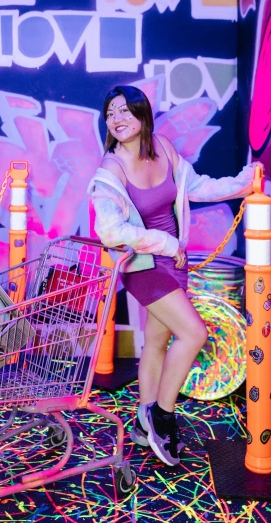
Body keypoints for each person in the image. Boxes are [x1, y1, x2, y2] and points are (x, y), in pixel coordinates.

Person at [87, 85, 258, 467]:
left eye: (125, 111)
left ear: (142, 114)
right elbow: (111, 231)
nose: (117, 119)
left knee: (157, 341)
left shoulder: (162, 146)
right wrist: (165, 242)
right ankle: (162, 417)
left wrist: (241, 183)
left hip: (173, 262)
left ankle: (143, 418)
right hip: (145, 265)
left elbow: (194, 187)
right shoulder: (109, 171)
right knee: (194, 333)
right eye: (110, 113)